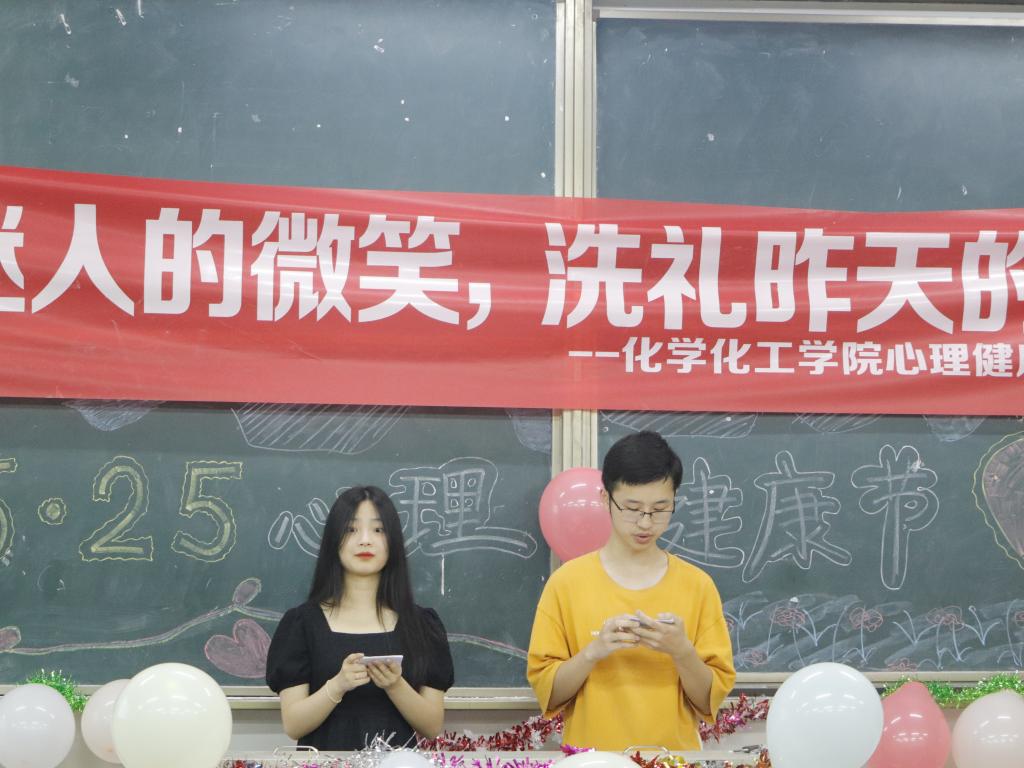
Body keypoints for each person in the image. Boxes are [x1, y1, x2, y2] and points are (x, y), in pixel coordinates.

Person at [527, 431, 735, 750]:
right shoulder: (566, 584)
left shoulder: (697, 586)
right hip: (592, 760)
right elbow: (549, 694)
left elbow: (708, 701)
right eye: (632, 508)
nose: (645, 523)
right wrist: (593, 652)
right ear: (605, 499)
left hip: (672, 759)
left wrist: (682, 651)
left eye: (660, 509)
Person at [266, 485, 454, 749]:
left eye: (378, 530)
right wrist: (338, 685)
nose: (365, 540)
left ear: (393, 542)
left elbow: (432, 727)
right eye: (351, 529)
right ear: (334, 541)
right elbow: (294, 725)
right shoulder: (302, 624)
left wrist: (395, 685)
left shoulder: (422, 624)